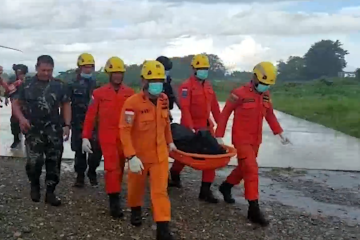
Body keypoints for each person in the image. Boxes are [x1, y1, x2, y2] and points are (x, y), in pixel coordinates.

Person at [215, 61, 291, 226]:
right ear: (255, 77)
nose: (265, 86)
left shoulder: (265, 95)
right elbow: (225, 113)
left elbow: (269, 114)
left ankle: (226, 186)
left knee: (244, 168)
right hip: (241, 139)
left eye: (268, 84)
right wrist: (219, 134)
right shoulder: (238, 93)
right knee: (251, 169)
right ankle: (253, 209)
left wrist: (279, 132)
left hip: (256, 140)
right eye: (263, 83)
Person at [119, 60, 177, 240]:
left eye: (160, 80)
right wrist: (131, 156)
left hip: (160, 155)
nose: (157, 84)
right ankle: (135, 209)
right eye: (153, 80)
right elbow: (124, 130)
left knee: (160, 192)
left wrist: (170, 142)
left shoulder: (164, 99)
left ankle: (163, 228)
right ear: (144, 81)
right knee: (135, 188)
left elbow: (166, 122)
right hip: (139, 157)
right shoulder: (132, 103)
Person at [11, 55, 71, 206]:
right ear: (37, 68)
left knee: (54, 162)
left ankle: (50, 192)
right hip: (33, 130)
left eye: (49, 70)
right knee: (34, 162)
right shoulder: (26, 85)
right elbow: (15, 104)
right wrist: (21, 119)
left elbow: (66, 104)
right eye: (43, 70)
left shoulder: (60, 85)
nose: (46, 73)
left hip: (54, 130)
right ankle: (35, 185)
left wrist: (67, 125)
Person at [82, 56, 135, 218]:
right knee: (111, 168)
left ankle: (115, 192)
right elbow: (91, 116)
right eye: (114, 73)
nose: (117, 76)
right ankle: (114, 202)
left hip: (125, 137)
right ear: (109, 74)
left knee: (120, 167)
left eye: (120, 73)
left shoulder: (130, 93)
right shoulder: (98, 94)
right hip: (107, 136)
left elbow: (134, 117)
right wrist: (85, 136)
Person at [168, 54, 221, 204]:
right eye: (200, 69)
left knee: (212, 158)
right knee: (184, 156)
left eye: (205, 69)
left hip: (207, 127)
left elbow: (215, 108)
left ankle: (205, 191)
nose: (203, 71)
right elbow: (185, 109)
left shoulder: (209, 86)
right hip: (189, 126)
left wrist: (220, 128)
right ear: (193, 69)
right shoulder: (186, 86)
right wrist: (191, 129)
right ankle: (175, 173)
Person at [68, 53, 102, 187]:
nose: (88, 70)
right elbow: (66, 104)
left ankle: (92, 171)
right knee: (79, 151)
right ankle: (80, 176)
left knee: (96, 152)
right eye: (85, 67)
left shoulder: (98, 84)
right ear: (80, 67)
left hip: (95, 124)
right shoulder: (72, 85)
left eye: (90, 67)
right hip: (78, 122)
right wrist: (67, 123)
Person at [156, 56, 180, 122]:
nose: (167, 72)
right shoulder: (153, 85)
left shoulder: (169, 82)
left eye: (168, 70)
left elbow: (177, 98)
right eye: (165, 70)